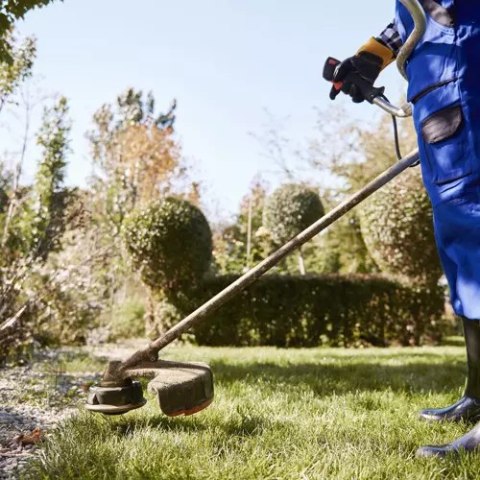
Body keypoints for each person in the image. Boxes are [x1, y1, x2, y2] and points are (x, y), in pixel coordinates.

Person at [330, 0, 480, 458]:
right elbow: (413, 18)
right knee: (462, 255)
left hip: (467, 80)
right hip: (439, 98)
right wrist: (368, 58)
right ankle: (478, 396)